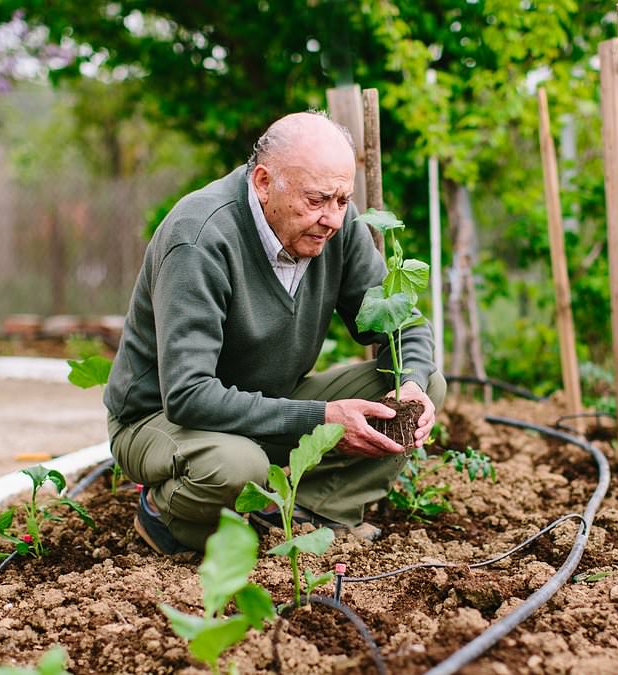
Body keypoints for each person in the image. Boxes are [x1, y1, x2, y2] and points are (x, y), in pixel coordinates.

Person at [104, 111, 446, 554]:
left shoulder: (334, 229)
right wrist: (324, 418)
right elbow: (188, 395)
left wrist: (412, 384)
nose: (334, 219)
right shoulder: (200, 239)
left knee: (416, 387)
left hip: (268, 402)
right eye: (317, 200)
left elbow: (403, 328)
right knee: (235, 464)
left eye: (342, 200)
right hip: (163, 419)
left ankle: (305, 512)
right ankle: (167, 517)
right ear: (264, 182)